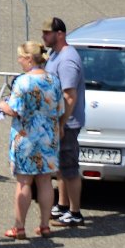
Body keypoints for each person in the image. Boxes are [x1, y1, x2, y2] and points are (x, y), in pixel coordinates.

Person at [0, 40, 61, 240]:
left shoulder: (23, 82)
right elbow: (59, 108)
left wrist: (2, 105)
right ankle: (44, 225)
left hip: (27, 137)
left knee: (24, 182)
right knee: (45, 181)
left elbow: (15, 109)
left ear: (29, 59)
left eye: (21, 57)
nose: (19, 61)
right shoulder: (54, 80)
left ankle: (19, 227)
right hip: (48, 135)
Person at [41, 18, 88, 228]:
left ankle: (75, 212)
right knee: (60, 166)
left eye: (47, 33)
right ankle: (62, 205)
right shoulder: (55, 55)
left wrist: (61, 123)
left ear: (60, 34)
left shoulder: (67, 60)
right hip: (57, 122)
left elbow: (70, 96)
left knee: (70, 168)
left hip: (66, 124)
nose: (44, 37)